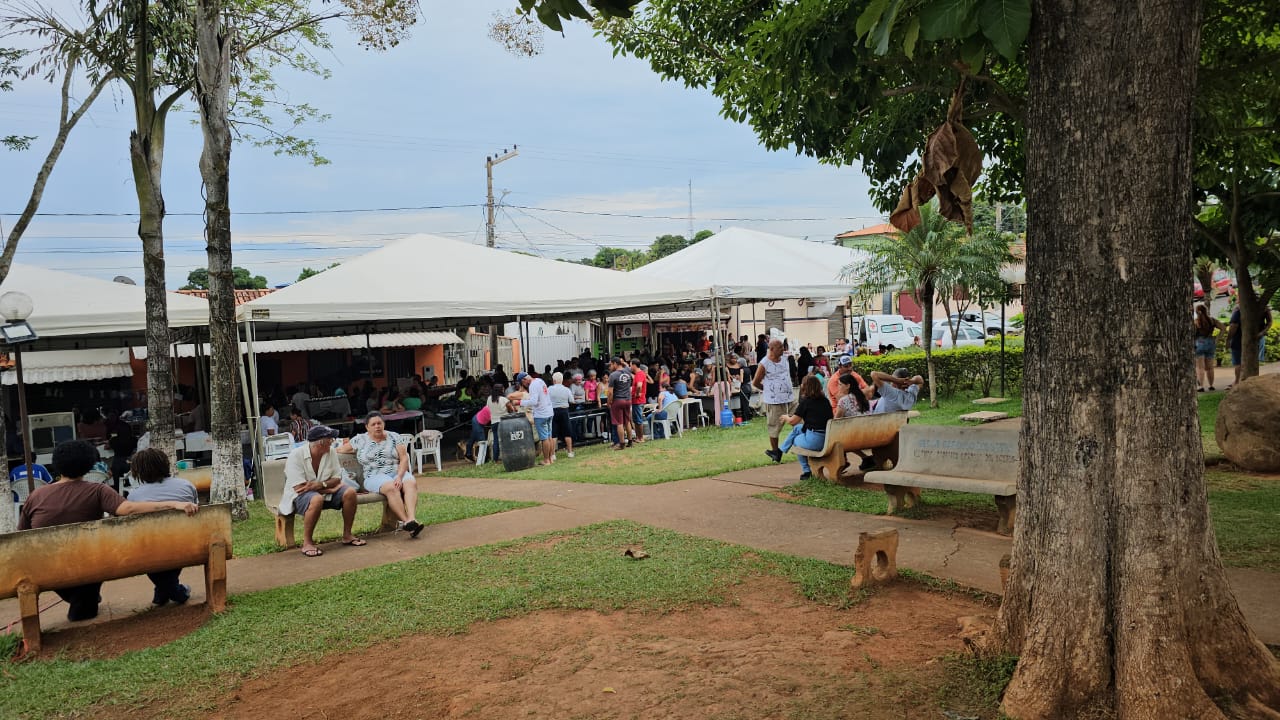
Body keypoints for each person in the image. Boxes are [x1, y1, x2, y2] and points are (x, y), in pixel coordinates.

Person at [19, 440, 199, 621]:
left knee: (82, 600)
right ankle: (85, 598)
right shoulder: (97, 490)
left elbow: (21, 536)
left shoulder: (36, 496)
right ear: (89, 465)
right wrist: (174, 504)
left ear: (56, 464)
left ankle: (82, 597)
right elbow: (127, 509)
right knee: (87, 595)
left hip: (47, 568)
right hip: (89, 565)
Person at [126, 448, 200, 602]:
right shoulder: (186, 485)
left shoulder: (134, 495)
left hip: (151, 548)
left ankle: (170, 591)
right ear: (165, 464)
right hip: (186, 541)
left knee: (151, 549)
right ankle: (169, 590)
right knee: (172, 542)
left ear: (138, 471)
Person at [335, 413, 424, 539]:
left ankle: (411, 519)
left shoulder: (394, 436)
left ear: (384, 424)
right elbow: (340, 450)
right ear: (367, 427)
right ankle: (407, 522)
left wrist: (399, 476)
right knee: (391, 487)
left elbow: (404, 458)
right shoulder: (360, 439)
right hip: (374, 476)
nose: (377, 426)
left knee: (410, 482)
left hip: (396, 472)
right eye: (373, 424)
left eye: (379, 423)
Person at [279, 426, 363, 557]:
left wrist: (321, 485)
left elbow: (337, 478)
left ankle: (347, 535)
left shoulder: (331, 452)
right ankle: (307, 542)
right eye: (331, 439)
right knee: (316, 498)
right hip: (299, 496)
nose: (333, 441)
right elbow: (300, 487)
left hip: (322, 491)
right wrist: (329, 488)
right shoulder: (296, 455)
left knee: (350, 492)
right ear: (321, 442)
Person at [777, 376, 833, 480]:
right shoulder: (825, 401)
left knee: (795, 440)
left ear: (805, 387)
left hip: (816, 440)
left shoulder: (806, 402)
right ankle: (779, 451)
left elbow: (792, 421)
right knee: (797, 428)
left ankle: (806, 471)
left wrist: (785, 417)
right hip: (828, 438)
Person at [754, 339, 796, 463]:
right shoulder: (764, 363)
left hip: (790, 398)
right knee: (774, 427)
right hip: (774, 401)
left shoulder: (785, 359)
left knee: (800, 420)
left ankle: (801, 445)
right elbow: (756, 382)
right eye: (779, 347)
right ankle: (776, 452)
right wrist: (768, 390)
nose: (782, 349)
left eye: (783, 347)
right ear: (771, 349)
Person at [517, 371, 556, 466]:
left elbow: (533, 401)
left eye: (523, 383)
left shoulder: (532, 385)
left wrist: (520, 402)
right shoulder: (540, 380)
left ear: (524, 380)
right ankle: (551, 457)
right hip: (549, 411)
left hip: (541, 414)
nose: (524, 385)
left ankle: (546, 460)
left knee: (544, 438)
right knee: (549, 436)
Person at [1228, 303, 1274, 382]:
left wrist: (1228, 339)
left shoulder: (1239, 309)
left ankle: (1238, 382)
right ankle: (1248, 381)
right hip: (1256, 338)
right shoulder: (1263, 308)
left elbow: (1233, 326)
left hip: (1241, 339)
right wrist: (1262, 333)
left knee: (1239, 362)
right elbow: (1270, 322)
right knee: (1251, 360)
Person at [1193, 304, 1227, 392]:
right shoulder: (1212, 320)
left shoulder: (1196, 322)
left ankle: (1201, 386)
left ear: (1197, 312)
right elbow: (1223, 328)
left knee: (1200, 367)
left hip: (1199, 343)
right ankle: (1211, 385)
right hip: (1210, 342)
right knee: (1210, 367)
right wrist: (1217, 338)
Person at [607, 358, 634, 450]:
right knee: (627, 421)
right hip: (628, 400)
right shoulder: (627, 372)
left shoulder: (613, 375)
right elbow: (627, 366)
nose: (610, 367)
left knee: (619, 423)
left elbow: (610, 392)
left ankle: (621, 443)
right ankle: (630, 442)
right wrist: (623, 362)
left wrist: (609, 402)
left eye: (611, 364)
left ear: (615, 364)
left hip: (618, 400)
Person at [548, 372, 575, 459]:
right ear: (562, 380)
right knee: (567, 432)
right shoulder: (566, 389)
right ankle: (570, 452)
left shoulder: (549, 389)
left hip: (553, 411)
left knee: (553, 433)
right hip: (564, 410)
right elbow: (572, 400)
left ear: (554, 380)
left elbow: (546, 400)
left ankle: (552, 454)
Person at [629, 359, 649, 444]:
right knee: (636, 419)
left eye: (630, 365)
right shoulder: (638, 374)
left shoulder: (639, 374)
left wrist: (637, 393)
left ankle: (640, 438)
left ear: (634, 365)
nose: (630, 367)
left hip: (638, 400)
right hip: (636, 400)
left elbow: (639, 385)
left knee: (638, 419)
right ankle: (638, 437)